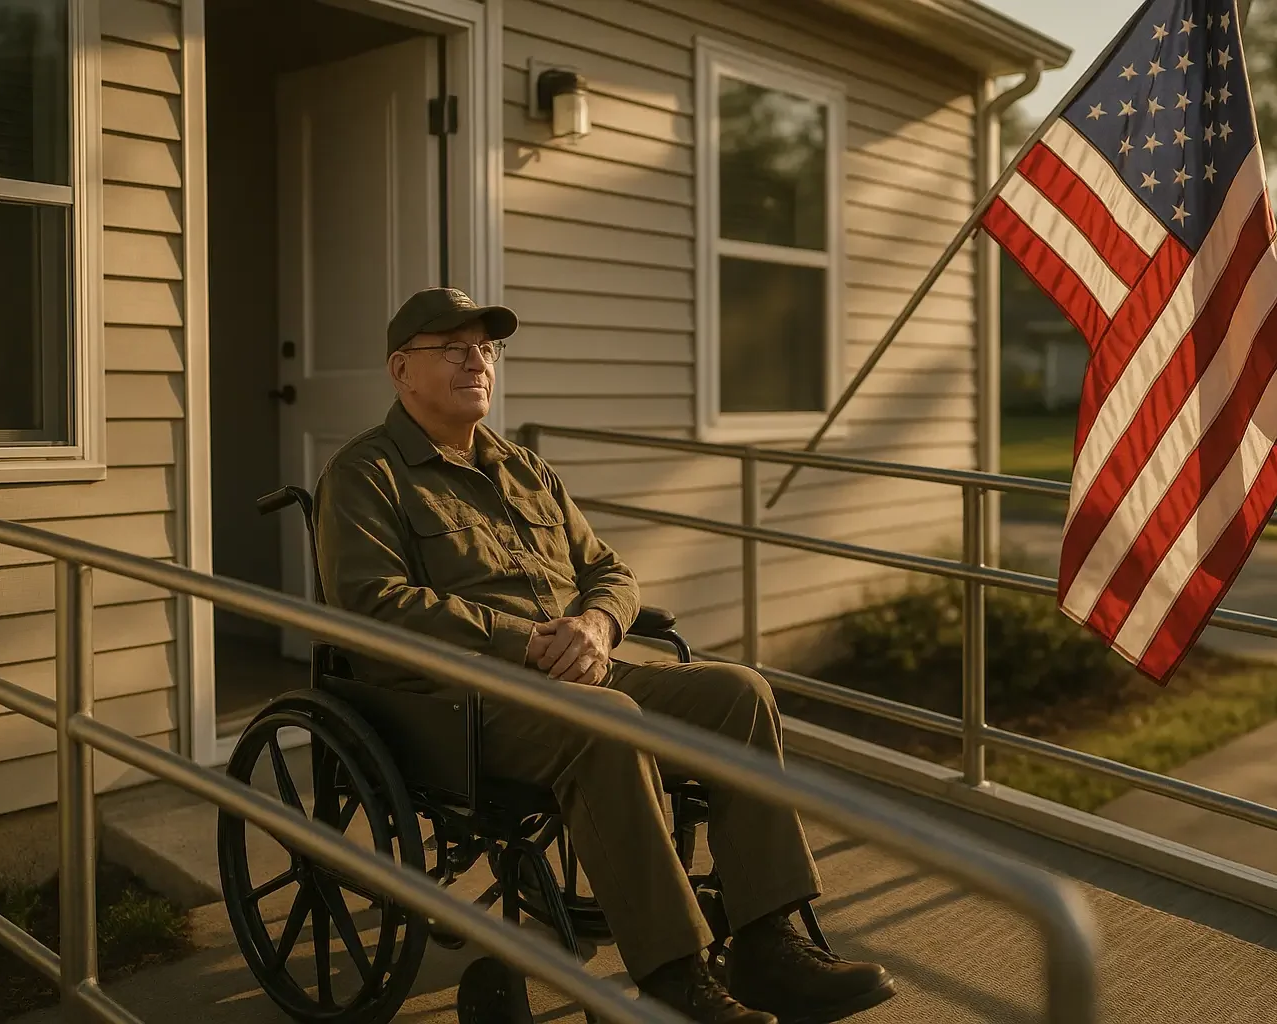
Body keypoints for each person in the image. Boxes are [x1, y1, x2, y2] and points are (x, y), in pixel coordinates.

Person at [314, 287, 897, 1024]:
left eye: (487, 349)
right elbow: (372, 602)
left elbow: (610, 572)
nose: (477, 361)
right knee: (609, 720)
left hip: (582, 670)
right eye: (453, 348)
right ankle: (672, 981)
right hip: (462, 700)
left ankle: (765, 943)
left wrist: (597, 626)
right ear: (403, 370)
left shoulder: (526, 469)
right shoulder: (366, 475)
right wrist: (520, 641)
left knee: (739, 693)